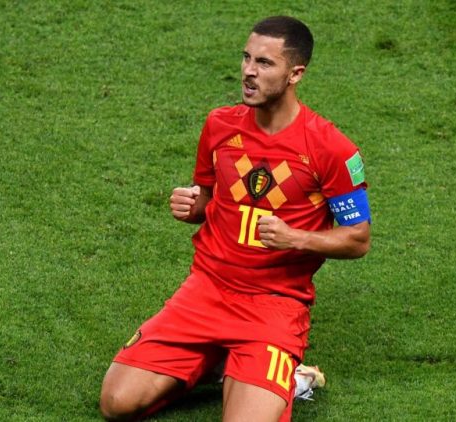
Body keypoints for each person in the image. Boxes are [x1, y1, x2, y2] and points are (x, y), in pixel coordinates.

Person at [99, 15, 371, 422]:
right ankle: (223, 363)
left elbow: (358, 238)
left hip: (274, 307)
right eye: (246, 58)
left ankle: (286, 377)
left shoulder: (332, 149)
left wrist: (295, 237)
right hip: (205, 291)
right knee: (116, 403)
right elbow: (208, 201)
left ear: (295, 74)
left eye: (264, 63)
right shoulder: (219, 125)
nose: (248, 71)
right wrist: (192, 206)